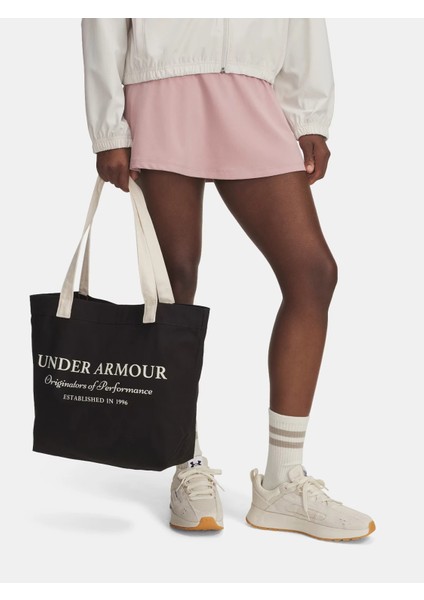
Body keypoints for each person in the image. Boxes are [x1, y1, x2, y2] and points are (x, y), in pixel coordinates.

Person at [81, 18, 375, 541]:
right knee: (175, 280)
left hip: (253, 90)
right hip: (162, 85)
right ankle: (186, 461)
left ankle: (283, 482)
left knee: (313, 274)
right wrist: (110, 128)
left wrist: (309, 111)